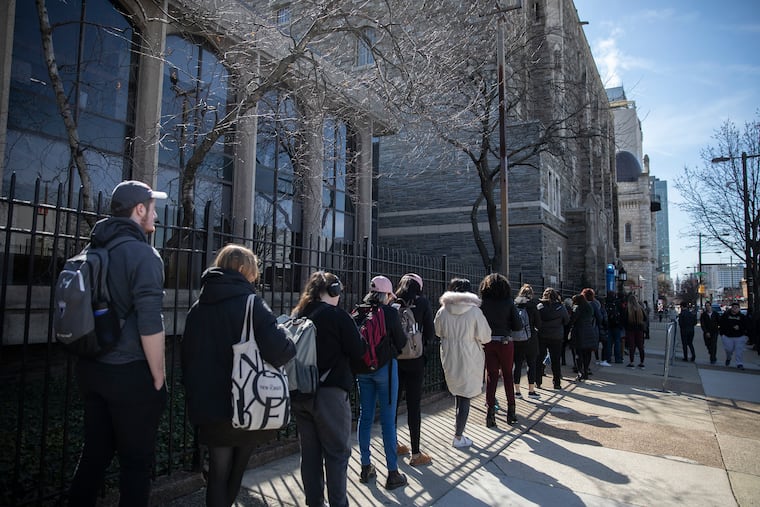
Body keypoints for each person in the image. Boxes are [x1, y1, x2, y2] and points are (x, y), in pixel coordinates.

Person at [67, 180, 168, 506]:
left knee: (94, 456)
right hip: (130, 374)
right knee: (136, 465)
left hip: (91, 369)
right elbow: (151, 323)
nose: (156, 215)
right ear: (139, 210)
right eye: (152, 208)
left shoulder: (93, 249)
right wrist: (158, 377)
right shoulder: (144, 255)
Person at [182, 245, 295, 507]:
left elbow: (186, 356)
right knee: (235, 472)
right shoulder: (251, 303)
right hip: (246, 401)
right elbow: (280, 351)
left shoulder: (198, 307)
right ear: (246, 270)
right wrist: (287, 334)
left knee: (217, 474)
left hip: (208, 404)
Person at [289, 271, 367, 506]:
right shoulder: (337, 316)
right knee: (336, 454)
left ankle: (314, 503)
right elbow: (359, 351)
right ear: (333, 291)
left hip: (300, 393)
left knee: (309, 457)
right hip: (330, 396)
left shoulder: (298, 314)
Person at [353, 276, 408, 490]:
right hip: (386, 369)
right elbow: (402, 342)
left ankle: (365, 466)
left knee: (365, 416)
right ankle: (392, 472)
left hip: (362, 371)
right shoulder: (389, 313)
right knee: (387, 419)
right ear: (386, 294)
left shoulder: (358, 312)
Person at [434, 278, 492, 448]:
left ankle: (458, 430)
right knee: (465, 395)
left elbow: (438, 331)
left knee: (458, 392)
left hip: (450, 354)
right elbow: (486, 336)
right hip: (470, 356)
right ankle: (458, 436)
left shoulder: (443, 311)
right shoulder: (474, 312)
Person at [394, 273, 435, 466]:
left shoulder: (393, 303)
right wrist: (423, 351)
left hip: (395, 360)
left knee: (392, 404)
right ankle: (416, 454)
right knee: (413, 406)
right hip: (416, 361)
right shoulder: (423, 303)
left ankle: (393, 443)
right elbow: (430, 333)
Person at [479, 273, 522, 428]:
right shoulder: (508, 302)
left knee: (491, 377)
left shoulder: (483, 303)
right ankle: (511, 412)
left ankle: (490, 414)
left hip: (488, 342)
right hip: (505, 341)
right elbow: (518, 326)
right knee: (508, 376)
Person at [537, 288, 570, 389]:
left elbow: (536, 319)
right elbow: (566, 320)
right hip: (556, 336)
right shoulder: (561, 307)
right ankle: (557, 382)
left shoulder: (539, 307)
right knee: (555, 360)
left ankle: (538, 381)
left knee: (539, 359)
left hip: (542, 335)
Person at [513, 284, 542, 395]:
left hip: (518, 338)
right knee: (531, 364)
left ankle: (517, 390)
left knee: (518, 365)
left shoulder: (515, 305)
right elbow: (539, 323)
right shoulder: (533, 306)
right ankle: (531, 390)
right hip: (531, 338)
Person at [569, 294, 597, 381]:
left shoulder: (577, 308)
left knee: (578, 353)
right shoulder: (589, 307)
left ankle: (580, 372)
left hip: (579, 332)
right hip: (589, 331)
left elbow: (573, 320)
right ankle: (585, 371)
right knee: (587, 353)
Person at [719, 302, 751, 369]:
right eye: (734, 307)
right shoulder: (726, 316)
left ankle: (739, 363)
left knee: (739, 350)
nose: (735, 309)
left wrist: (740, 328)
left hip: (739, 336)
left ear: (739, 309)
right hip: (728, 336)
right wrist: (722, 333)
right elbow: (721, 324)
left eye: (737, 308)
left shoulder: (742, 317)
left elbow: (747, 326)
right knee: (728, 349)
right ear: (731, 308)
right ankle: (728, 357)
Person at [582, 288, 607, 366]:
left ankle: (580, 367)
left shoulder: (580, 304)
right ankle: (586, 368)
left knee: (581, 350)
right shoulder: (594, 305)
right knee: (588, 350)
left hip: (581, 329)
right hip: (591, 329)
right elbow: (600, 318)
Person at [622, 294, 647, 368]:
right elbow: (645, 319)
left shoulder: (628, 309)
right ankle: (642, 362)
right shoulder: (640, 309)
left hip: (630, 329)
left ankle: (631, 362)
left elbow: (625, 320)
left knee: (631, 346)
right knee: (640, 347)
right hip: (640, 329)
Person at [605, 295, 625, 364]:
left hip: (609, 326)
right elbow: (623, 315)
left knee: (609, 343)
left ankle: (608, 358)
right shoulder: (619, 304)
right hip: (617, 326)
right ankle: (618, 358)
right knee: (617, 342)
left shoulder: (607, 304)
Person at [700, 300, 720, 364]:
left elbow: (719, 322)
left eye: (708, 306)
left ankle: (713, 358)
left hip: (714, 332)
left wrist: (719, 329)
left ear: (711, 306)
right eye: (706, 306)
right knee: (708, 345)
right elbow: (702, 324)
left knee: (713, 344)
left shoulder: (715, 314)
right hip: (707, 332)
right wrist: (706, 332)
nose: (707, 307)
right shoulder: (703, 315)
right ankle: (711, 353)